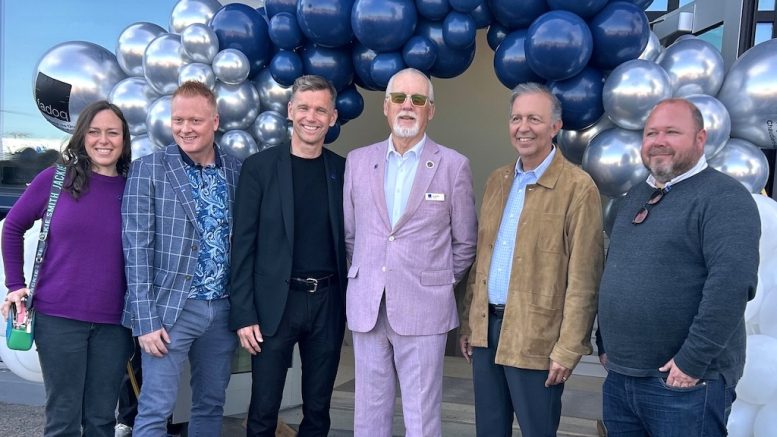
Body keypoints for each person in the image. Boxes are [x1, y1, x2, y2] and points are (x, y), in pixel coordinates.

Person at [596, 98, 760, 436]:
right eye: (651, 132)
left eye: (672, 131)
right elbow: (617, 270)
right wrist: (605, 343)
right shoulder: (634, 198)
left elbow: (731, 285)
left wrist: (691, 362)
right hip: (622, 377)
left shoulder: (724, 197)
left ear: (701, 139)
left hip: (684, 384)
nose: (658, 141)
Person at [458, 82, 604, 437]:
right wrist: (470, 323)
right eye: (516, 118)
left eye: (534, 119)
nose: (523, 127)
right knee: (489, 430)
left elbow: (585, 277)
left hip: (537, 335)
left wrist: (569, 348)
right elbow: (483, 259)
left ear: (555, 126)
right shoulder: (498, 180)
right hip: (487, 331)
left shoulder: (578, 187)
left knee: (537, 430)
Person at [343, 68, 478, 437]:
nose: (408, 106)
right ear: (386, 106)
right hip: (369, 304)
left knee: (421, 414)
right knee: (369, 412)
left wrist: (436, 282)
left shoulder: (453, 165)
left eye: (418, 100)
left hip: (424, 308)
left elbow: (465, 243)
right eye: (399, 98)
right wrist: (372, 272)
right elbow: (352, 236)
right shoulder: (357, 162)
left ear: (430, 110)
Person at [1, 100, 134, 437]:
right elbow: (12, 226)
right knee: (63, 419)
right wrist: (14, 284)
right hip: (58, 320)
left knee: (102, 419)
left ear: (124, 139)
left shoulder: (135, 187)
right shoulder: (55, 179)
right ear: (82, 136)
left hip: (115, 324)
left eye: (112, 132)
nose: (103, 140)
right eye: (94, 132)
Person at [122, 80, 242, 436]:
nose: (185, 129)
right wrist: (144, 319)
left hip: (221, 310)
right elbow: (136, 247)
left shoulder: (236, 170)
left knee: (210, 405)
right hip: (169, 311)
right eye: (178, 120)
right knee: (155, 409)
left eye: (195, 121)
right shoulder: (149, 169)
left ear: (215, 122)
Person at [229, 75, 346, 436]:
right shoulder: (259, 168)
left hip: (327, 302)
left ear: (333, 117)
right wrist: (244, 312)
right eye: (305, 108)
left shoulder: (343, 171)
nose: (312, 117)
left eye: (321, 110)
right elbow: (242, 246)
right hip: (273, 304)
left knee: (318, 410)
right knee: (263, 410)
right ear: (291, 111)